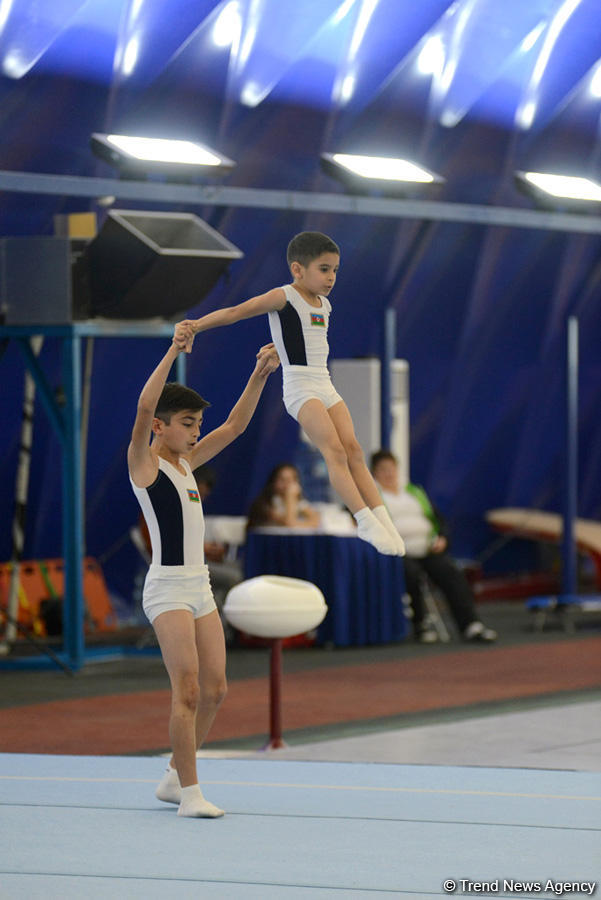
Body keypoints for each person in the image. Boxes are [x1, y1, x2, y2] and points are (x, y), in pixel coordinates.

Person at [127, 323, 279, 818]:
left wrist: (258, 375)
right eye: (188, 424)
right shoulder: (144, 466)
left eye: (196, 425)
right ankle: (190, 794)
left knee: (216, 688)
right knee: (187, 688)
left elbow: (234, 427)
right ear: (160, 427)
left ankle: (174, 776)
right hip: (167, 587)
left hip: (200, 586)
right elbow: (145, 405)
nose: (195, 432)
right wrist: (174, 347)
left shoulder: (189, 463)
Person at [177, 231, 405, 558]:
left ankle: (384, 519)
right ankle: (364, 520)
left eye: (336, 270)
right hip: (299, 387)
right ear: (298, 270)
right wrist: (196, 325)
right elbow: (236, 312)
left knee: (355, 449)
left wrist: (281, 346)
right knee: (335, 451)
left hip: (324, 382)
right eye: (324, 269)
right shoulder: (284, 296)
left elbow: (301, 342)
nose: (331, 278)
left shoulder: (324, 305)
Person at [371, 450, 497, 644]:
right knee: (411, 574)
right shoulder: (373, 496)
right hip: (398, 553)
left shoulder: (414, 492)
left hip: (428, 549)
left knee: (451, 573)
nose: (388, 474)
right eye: (383, 470)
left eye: (391, 469)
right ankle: (421, 624)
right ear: (374, 473)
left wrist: (442, 538)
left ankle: (471, 625)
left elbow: (438, 519)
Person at [247, 462, 321, 530]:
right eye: (282, 480)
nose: (287, 485)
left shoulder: (298, 501)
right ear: (273, 482)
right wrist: (290, 498)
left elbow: (315, 521)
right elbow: (289, 523)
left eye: (290, 480)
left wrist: (299, 524)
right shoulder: (264, 504)